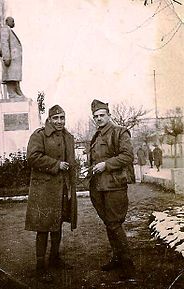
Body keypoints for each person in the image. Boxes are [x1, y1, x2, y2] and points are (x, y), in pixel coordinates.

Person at [25, 105, 77, 282]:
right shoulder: (39, 135)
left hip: (62, 188)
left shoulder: (68, 137)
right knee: (43, 227)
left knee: (58, 224)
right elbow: (32, 157)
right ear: (49, 119)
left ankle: (54, 258)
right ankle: (40, 266)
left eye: (62, 118)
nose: (60, 122)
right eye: (56, 118)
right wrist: (56, 165)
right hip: (44, 190)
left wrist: (71, 185)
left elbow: (71, 162)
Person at [89, 99, 136, 281]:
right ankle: (117, 258)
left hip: (114, 186)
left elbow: (127, 156)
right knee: (109, 223)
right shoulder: (97, 135)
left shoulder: (119, 132)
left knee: (115, 224)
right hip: (99, 187)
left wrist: (105, 165)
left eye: (102, 115)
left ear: (109, 115)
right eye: (96, 116)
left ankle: (128, 266)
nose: (99, 119)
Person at [0, 17, 24, 99]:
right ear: (7, 21)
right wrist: (6, 57)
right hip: (10, 59)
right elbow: (4, 43)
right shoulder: (5, 29)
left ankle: (17, 91)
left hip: (14, 60)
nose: (14, 23)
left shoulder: (9, 30)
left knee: (14, 76)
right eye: (12, 21)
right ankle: (12, 93)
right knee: (10, 76)